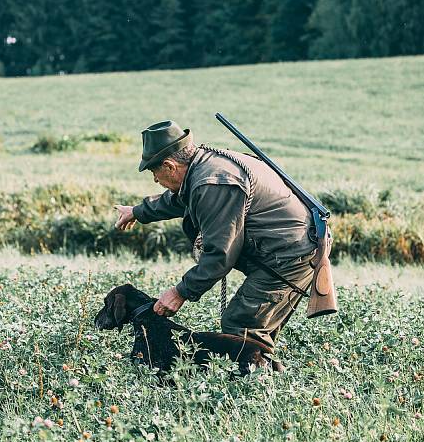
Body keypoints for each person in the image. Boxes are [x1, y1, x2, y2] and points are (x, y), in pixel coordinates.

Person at [114, 120, 317, 359]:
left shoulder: (212, 183)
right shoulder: (204, 166)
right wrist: (137, 211)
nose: (155, 180)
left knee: (241, 326)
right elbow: (178, 199)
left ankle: (257, 389)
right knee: (253, 334)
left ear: (169, 166)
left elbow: (220, 254)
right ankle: (265, 377)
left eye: (153, 172)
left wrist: (180, 292)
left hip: (288, 257)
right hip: (287, 250)